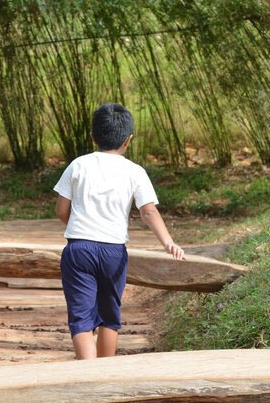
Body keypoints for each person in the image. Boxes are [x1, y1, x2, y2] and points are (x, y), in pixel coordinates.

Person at [52, 102, 185, 360]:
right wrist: (168, 242)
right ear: (128, 140)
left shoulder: (78, 165)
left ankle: (87, 375)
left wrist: (78, 226)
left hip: (79, 249)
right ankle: (106, 374)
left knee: (81, 316)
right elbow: (148, 211)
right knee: (109, 315)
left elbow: (61, 210)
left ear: (93, 136)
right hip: (114, 251)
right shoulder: (135, 171)